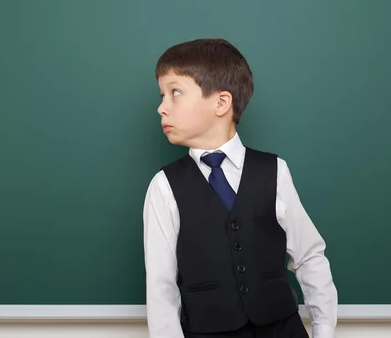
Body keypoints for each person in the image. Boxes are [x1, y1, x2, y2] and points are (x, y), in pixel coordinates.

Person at [143, 38, 338, 338]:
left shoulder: (274, 171)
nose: (161, 108)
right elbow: (161, 290)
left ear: (221, 102)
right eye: (162, 95)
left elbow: (309, 255)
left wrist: (324, 331)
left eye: (175, 93)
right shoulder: (164, 186)